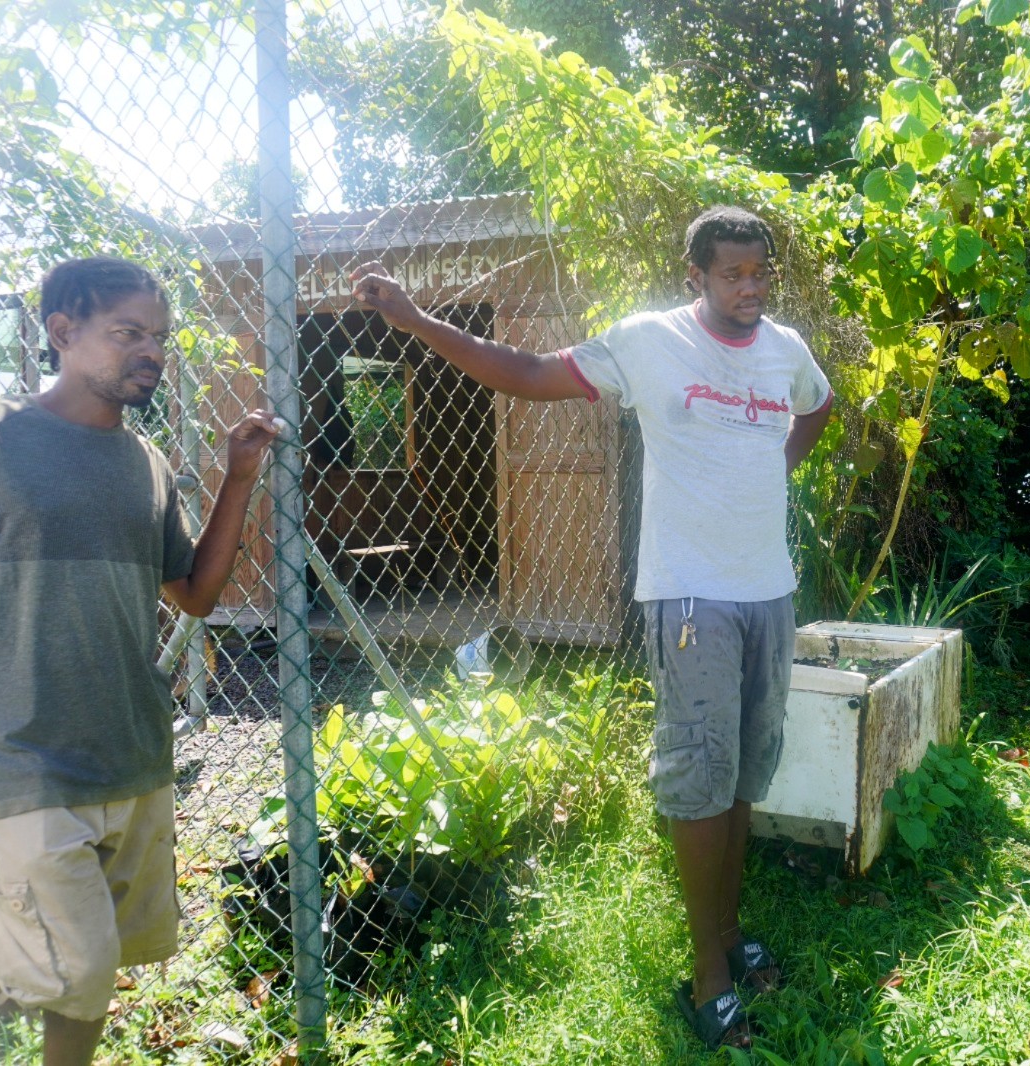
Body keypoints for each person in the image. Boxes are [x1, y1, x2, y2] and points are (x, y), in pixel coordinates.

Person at [350, 205, 833, 1050]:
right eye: (733, 274)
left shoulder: (785, 349)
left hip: (770, 592)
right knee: (699, 776)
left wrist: (773, 470)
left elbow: (818, 407)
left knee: (749, 769)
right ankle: (708, 974)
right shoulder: (649, 341)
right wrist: (416, 320)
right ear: (696, 276)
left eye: (761, 273)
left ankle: (728, 930)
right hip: (689, 597)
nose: (751, 288)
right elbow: (527, 371)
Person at [0, 256, 279, 1066]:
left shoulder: (145, 465)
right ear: (63, 333)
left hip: (132, 753)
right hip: (20, 756)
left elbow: (197, 595)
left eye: (159, 338)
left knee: (84, 952)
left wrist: (238, 480)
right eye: (127, 333)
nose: (150, 351)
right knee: (83, 971)